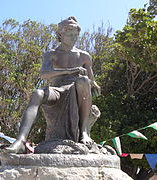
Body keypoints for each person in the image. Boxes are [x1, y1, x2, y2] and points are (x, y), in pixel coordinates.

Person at [5, 17, 101, 154]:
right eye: (70, 34)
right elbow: (44, 74)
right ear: (60, 34)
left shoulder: (84, 56)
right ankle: (20, 141)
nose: (73, 37)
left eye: (76, 34)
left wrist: (95, 85)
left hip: (76, 89)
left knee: (84, 81)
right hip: (57, 89)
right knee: (37, 93)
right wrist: (71, 70)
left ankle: (84, 132)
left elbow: (91, 80)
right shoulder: (51, 54)